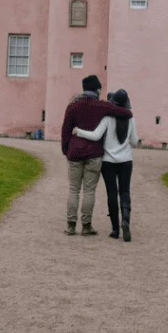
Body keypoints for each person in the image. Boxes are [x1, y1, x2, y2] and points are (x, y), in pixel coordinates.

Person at [60, 75, 132, 237]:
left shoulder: (72, 106)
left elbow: (65, 131)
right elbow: (125, 113)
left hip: (75, 153)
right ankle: (86, 226)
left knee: (73, 189)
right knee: (89, 191)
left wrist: (66, 150)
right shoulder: (101, 106)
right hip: (94, 153)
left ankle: (71, 225)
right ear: (97, 89)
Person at [73, 88, 137, 242]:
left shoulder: (108, 118)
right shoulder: (130, 119)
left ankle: (115, 229)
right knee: (125, 192)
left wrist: (78, 131)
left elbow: (96, 136)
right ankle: (126, 220)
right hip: (126, 160)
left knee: (112, 194)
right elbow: (134, 141)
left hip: (108, 161)